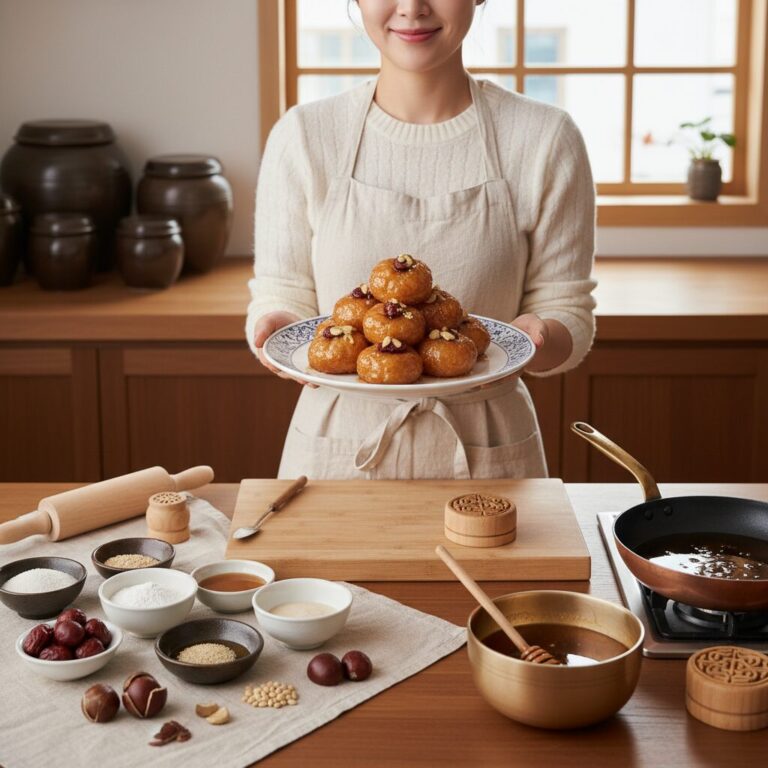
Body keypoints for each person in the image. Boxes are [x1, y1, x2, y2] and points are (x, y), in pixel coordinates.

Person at [246, 0, 596, 480]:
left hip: (489, 449)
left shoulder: (544, 137)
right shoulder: (304, 136)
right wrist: (276, 327)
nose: (411, 8)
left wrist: (541, 335)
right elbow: (280, 291)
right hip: (333, 453)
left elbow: (567, 307)